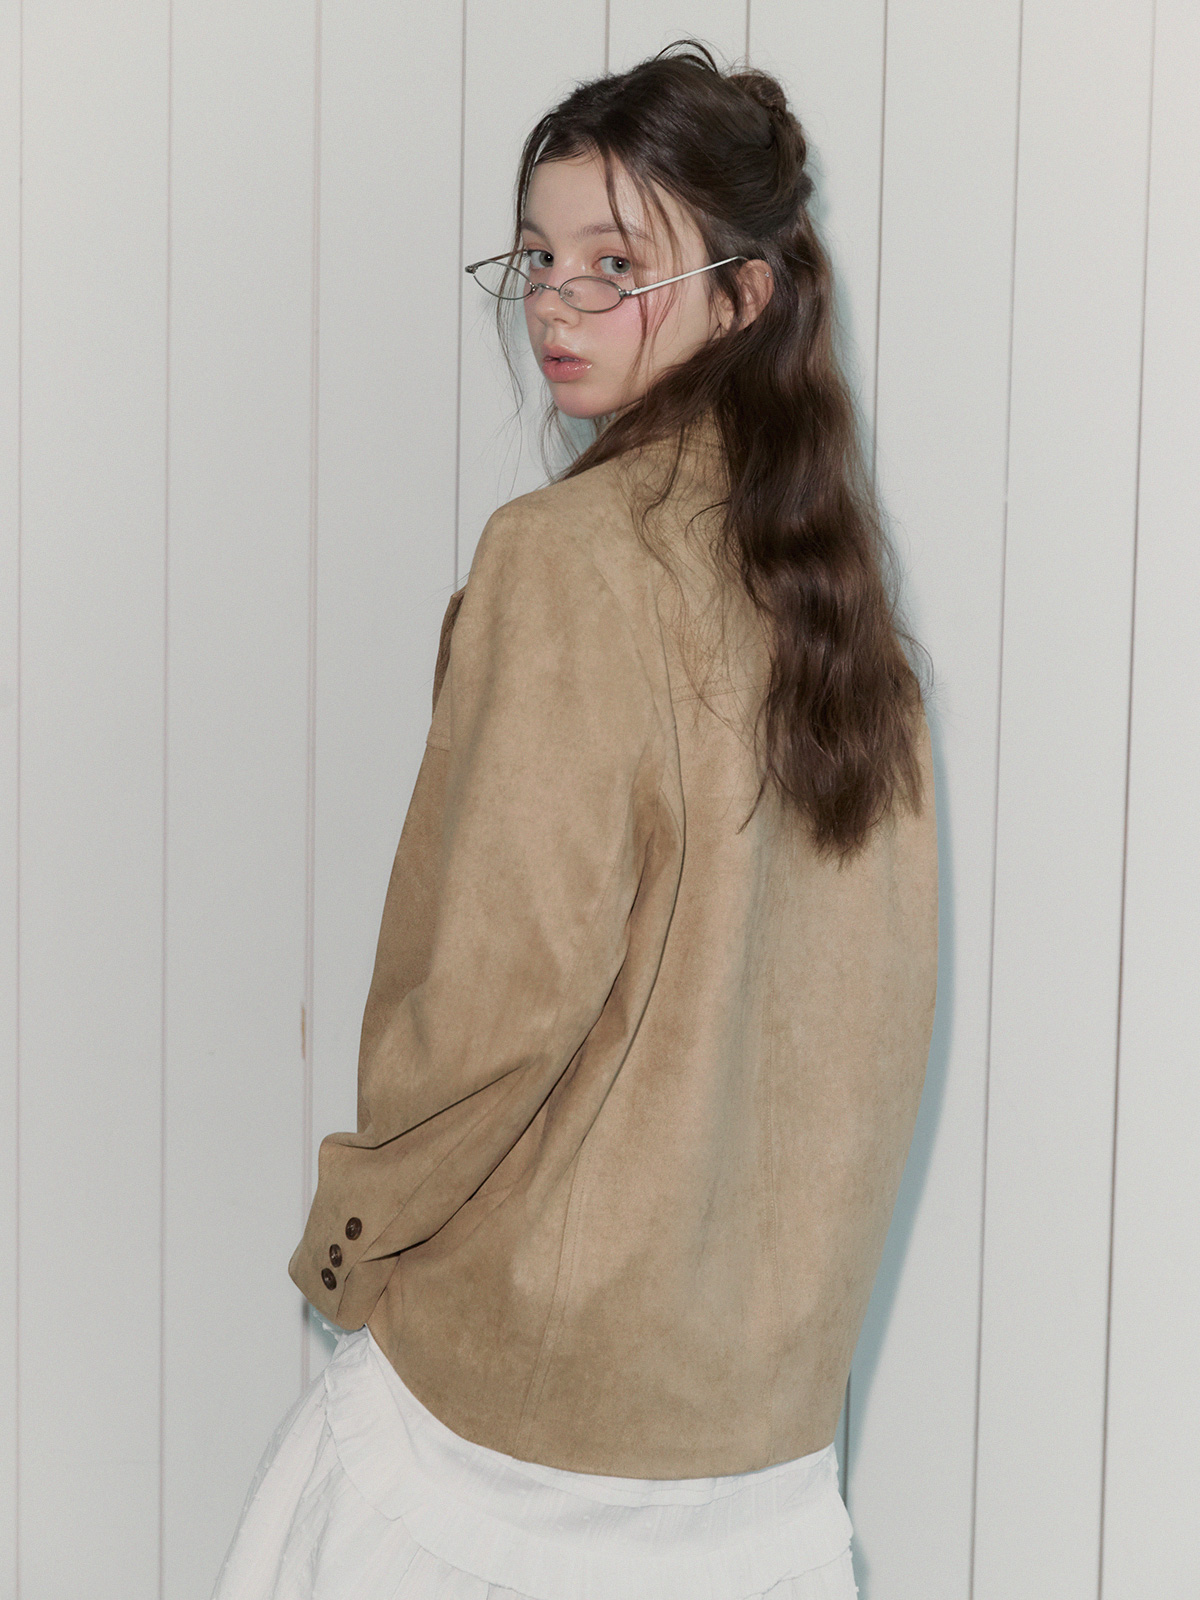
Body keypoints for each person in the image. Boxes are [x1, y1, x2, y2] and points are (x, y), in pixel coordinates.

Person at [212, 39, 938, 1600]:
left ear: (743, 296)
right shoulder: (846, 620)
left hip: (518, 1430)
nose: (555, 300)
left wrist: (351, 1233)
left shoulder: (570, 558)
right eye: (537, 258)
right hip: (753, 1442)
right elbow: (871, 1038)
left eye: (616, 264)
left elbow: (492, 1001)